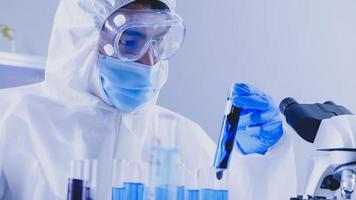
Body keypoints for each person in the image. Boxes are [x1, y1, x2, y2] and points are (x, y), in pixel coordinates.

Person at [0, 0, 297, 199]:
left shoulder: (180, 137)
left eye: (157, 41)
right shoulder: (10, 120)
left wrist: (259, 160)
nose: (149, 60)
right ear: (84, 39)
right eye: (130, 41)